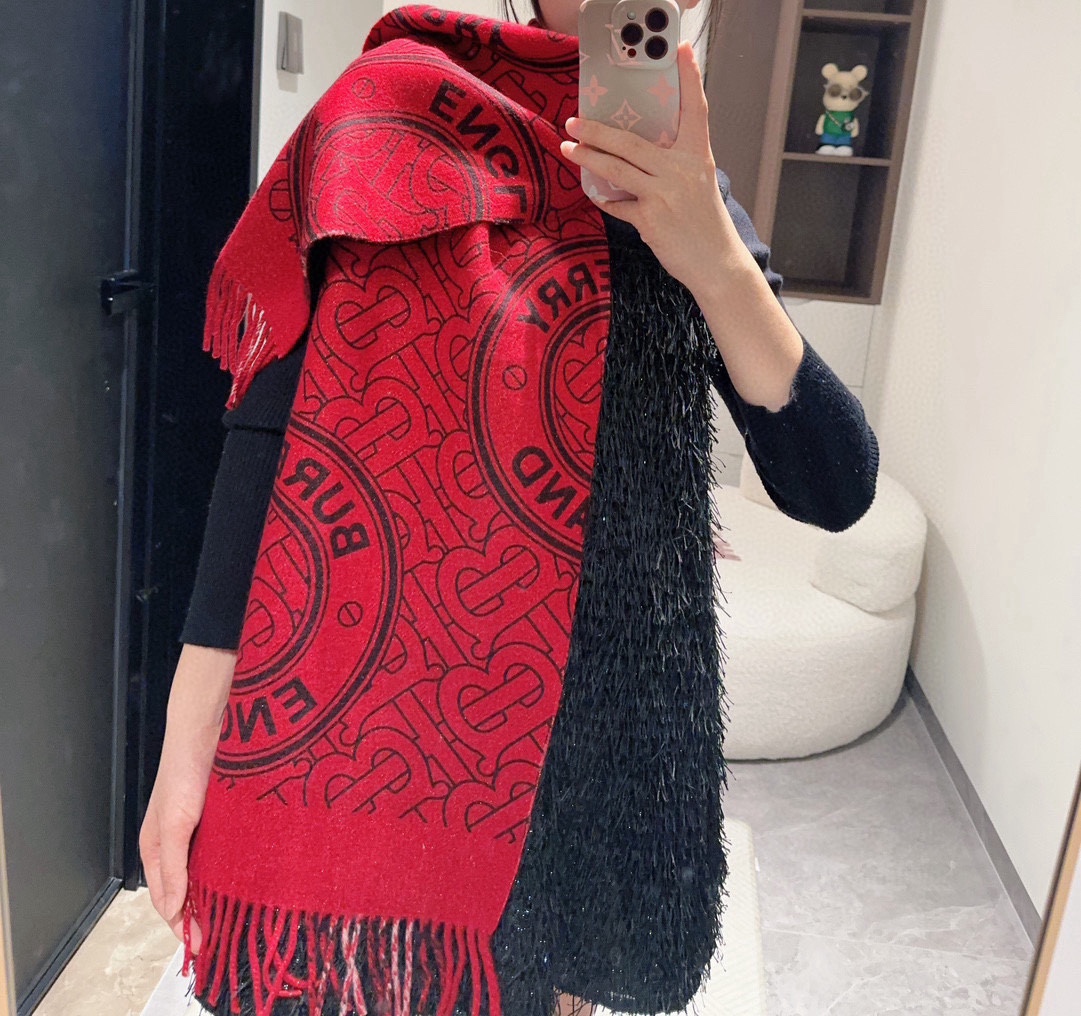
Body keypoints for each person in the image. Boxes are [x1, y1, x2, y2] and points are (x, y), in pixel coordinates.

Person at [140, 2, 879, 1015]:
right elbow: (266, 445)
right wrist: (187, 742)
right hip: (374, 712)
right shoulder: (383, 110)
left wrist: (710, 254)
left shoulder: (678, 179)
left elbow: (834, 484)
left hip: (594, 736)